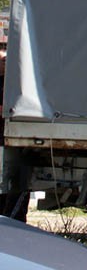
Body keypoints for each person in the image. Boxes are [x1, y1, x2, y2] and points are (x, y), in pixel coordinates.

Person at [0, 48, 29, 221]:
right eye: (2, 61)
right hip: (4, 140)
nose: (5, 64)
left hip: (12, 140)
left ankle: (14, 217)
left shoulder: (14, 84)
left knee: (12, 181)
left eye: (6, 60)